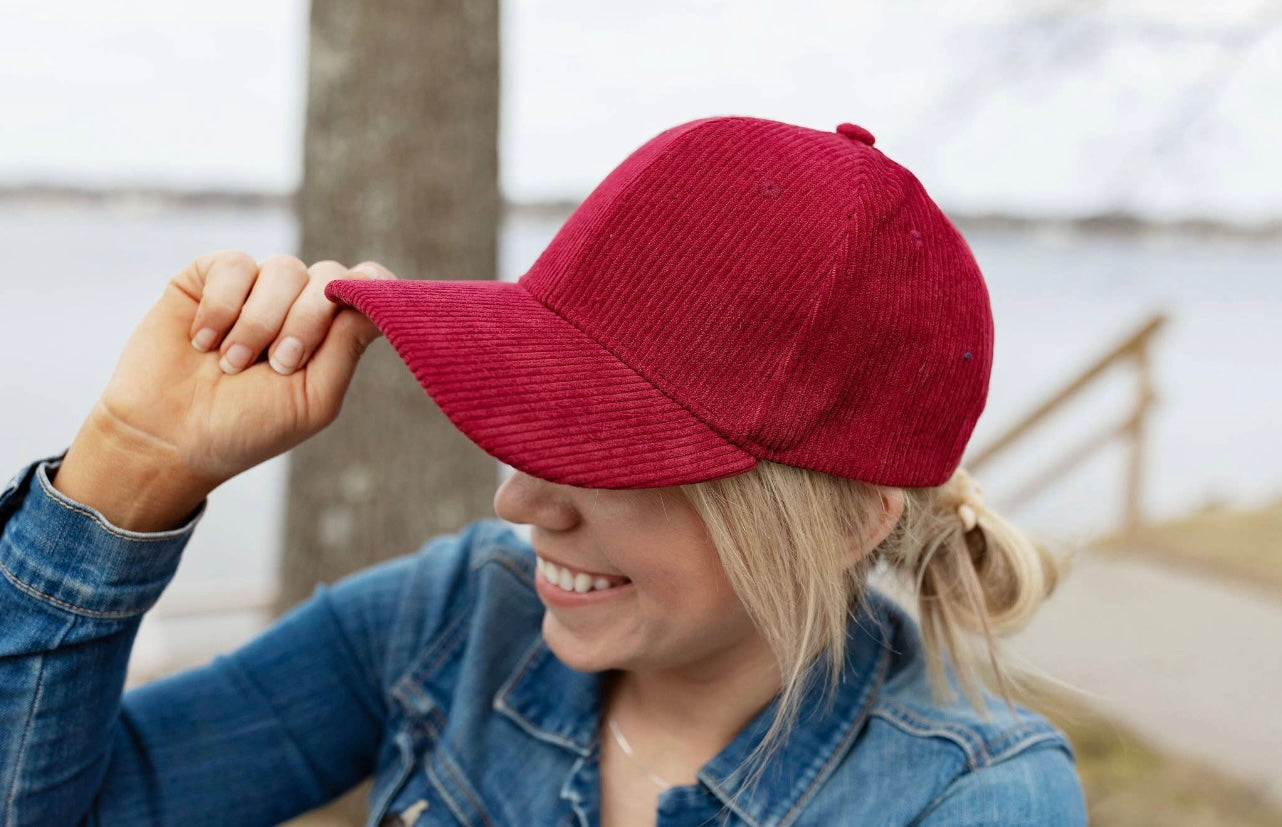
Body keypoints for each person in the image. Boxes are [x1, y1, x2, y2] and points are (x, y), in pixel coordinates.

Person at [0, 115, 1087, 826]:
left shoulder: (971, 797)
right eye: (537, 418)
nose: (517, 502)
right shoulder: (457, 616)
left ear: (846, 522)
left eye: (606, 452)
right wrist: (126, 477)